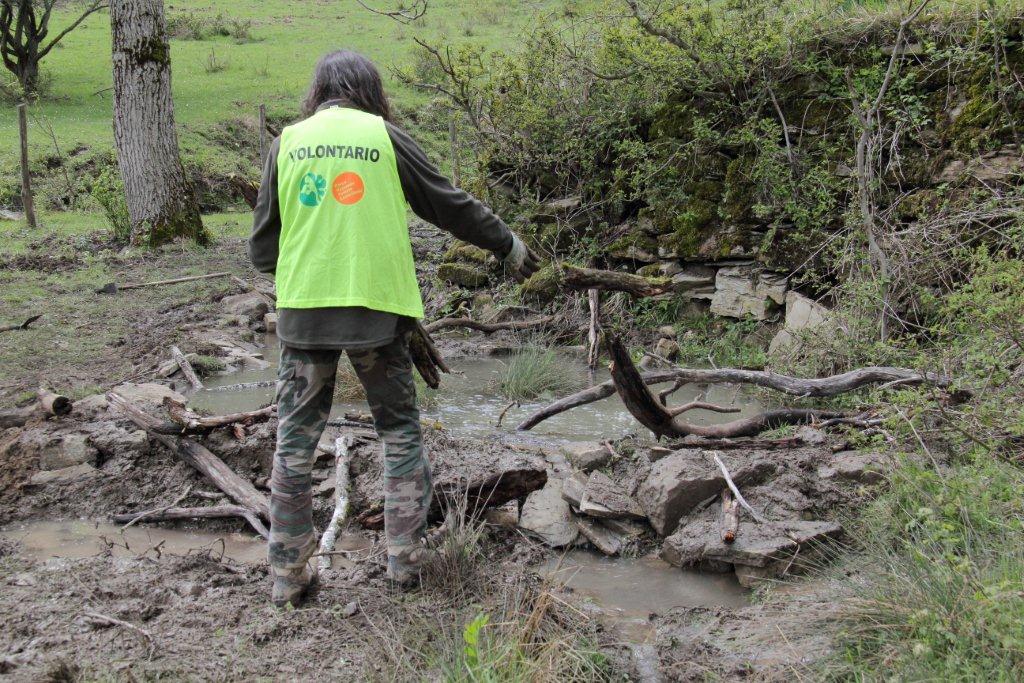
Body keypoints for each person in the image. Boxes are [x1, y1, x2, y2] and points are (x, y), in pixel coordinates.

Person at [249, 49, 539, 608]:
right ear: (370, 91)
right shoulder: (384, 138)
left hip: (304, 315)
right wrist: (506, 242)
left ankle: (288, 572)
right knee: (399, 433)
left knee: (295, 439)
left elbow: (262, 248)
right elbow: (447, 205)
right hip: (377, 316)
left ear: (318, 91)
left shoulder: (286, 143)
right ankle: (405, 565)